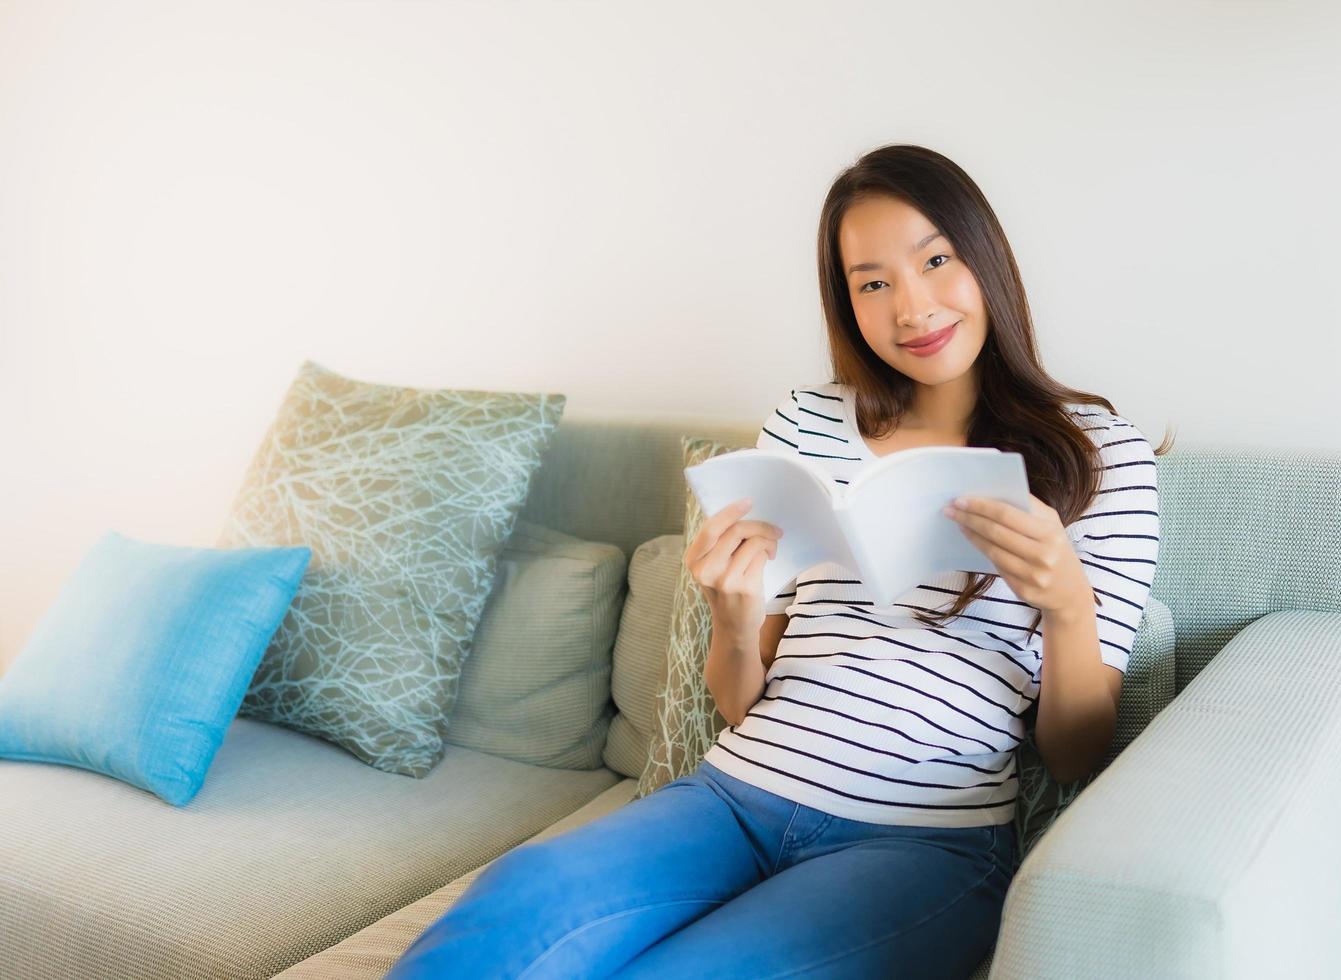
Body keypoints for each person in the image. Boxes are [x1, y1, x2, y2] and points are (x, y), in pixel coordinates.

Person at [385, 143, 1170, 980]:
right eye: (873, 283)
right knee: (517, 905)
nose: (912, 307)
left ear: (987, 260)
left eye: (936, 259)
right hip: (731, 797)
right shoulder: (806, 423)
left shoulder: (1102, 458)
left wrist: (1067, 607)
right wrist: (733, 611)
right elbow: (738, 704)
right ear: (848, 305)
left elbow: (1077, 755)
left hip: (924, 842)